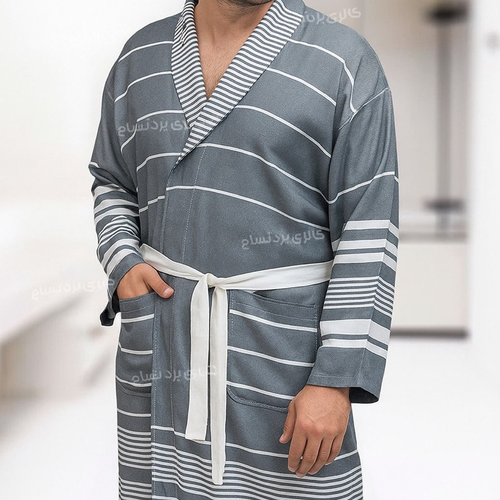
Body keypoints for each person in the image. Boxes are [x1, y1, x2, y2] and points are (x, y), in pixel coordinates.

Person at [88, 0, 399, 498]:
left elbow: (368, 228)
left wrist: (335, 379)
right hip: (167, 339)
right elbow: (112, 179)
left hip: (284, 357)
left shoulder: (344, 60)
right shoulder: (139, 57)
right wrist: (123, 260)